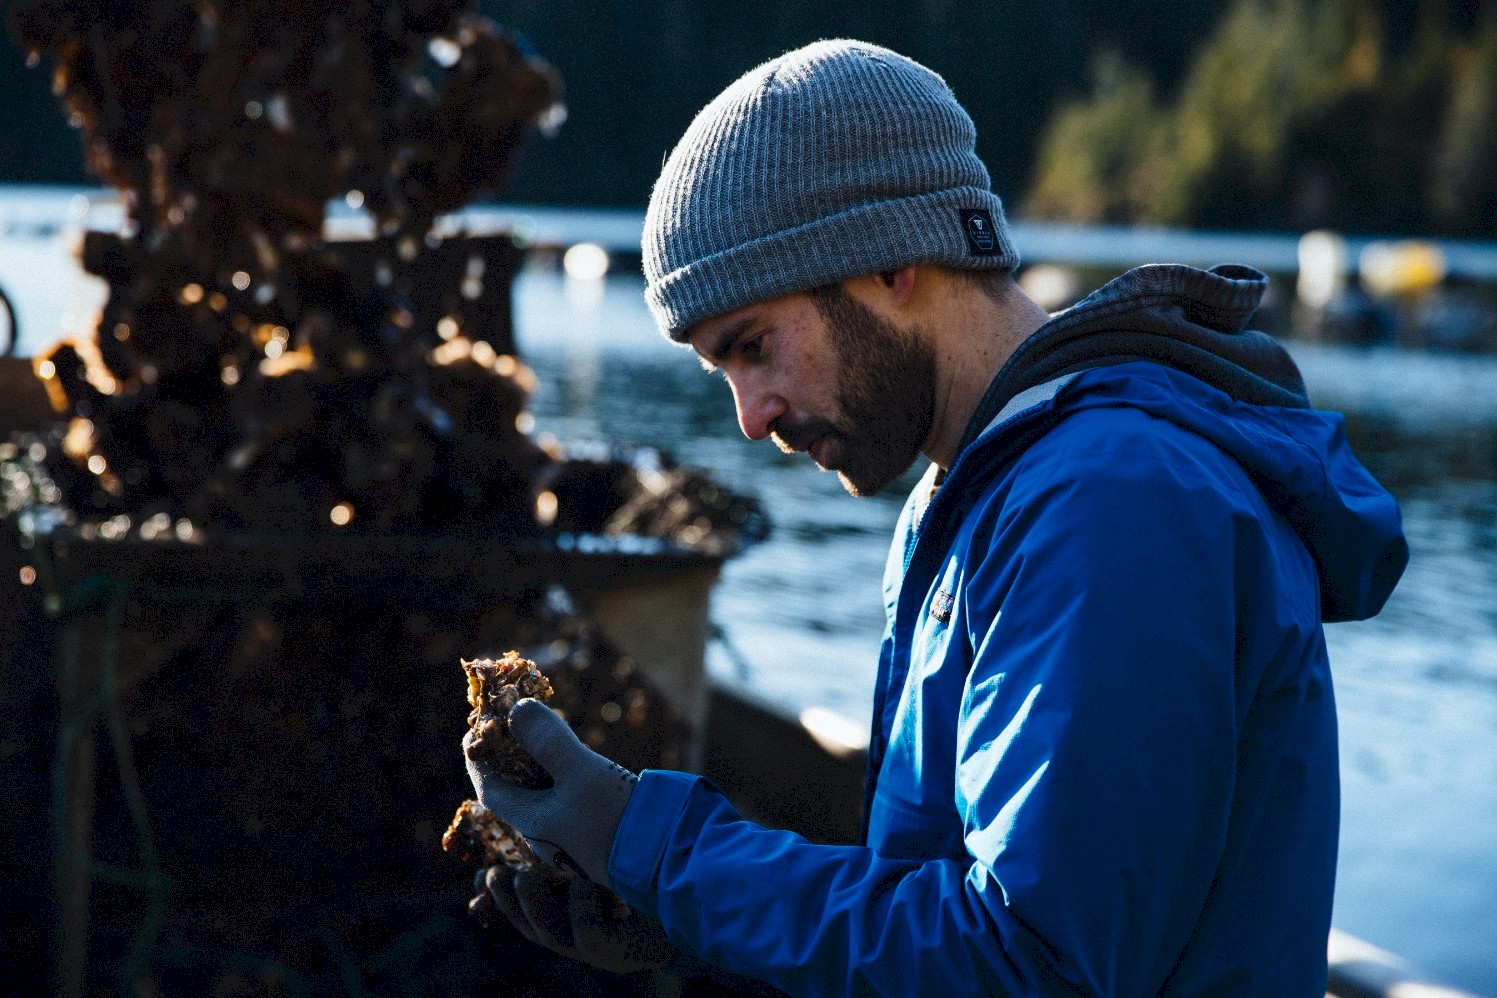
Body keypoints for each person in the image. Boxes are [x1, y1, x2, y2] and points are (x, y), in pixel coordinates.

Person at [465, 39, 1409, 996]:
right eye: (723, 372)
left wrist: (657, 851)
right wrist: (687, 920)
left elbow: (1029, 964)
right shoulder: (970, 498)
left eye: (753, 346)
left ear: (889, 261)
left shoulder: (1114, 505)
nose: (750, 418)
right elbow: (942, 894)